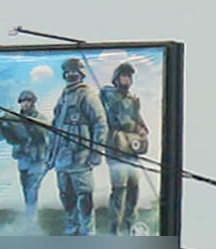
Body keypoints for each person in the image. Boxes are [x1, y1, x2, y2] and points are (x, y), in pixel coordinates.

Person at [48, 58, 105, 237]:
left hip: (80, 157)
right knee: (67, 197)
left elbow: (100, 124)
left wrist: (96, 152)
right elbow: (55, 127)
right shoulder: (63, 97)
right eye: (68, 72)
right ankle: (72, 231)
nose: (71, 75)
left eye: (75, 71)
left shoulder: (88, 96)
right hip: (62, 159)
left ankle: (88, 232)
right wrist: (51, 156)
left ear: (81, 74)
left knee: (84, 197)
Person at [0, 90, 52, 227]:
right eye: (23, 101)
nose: (25, 104)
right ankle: (30, 215)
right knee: (26, 188)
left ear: (33, 102)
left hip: (38, 159)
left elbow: (48, 137)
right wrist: (3, 126)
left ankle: (32, 218)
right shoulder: (13, 119)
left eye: (28, 101)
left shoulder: (40, 119)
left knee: (32, 188)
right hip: (23, 159)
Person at [101, 60, 149, 234]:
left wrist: (142, 129)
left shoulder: (132, 100)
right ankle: (114, 229)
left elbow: (139, 121)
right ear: (117, 77)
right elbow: (119, 119)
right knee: (119, 191)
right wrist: (134, 126)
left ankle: (130, 226)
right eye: (123, 75)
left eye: (129, 76)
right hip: (116, 147)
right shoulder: (109, 95)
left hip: (132, 150)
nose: (127, 79)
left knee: (133, 190)